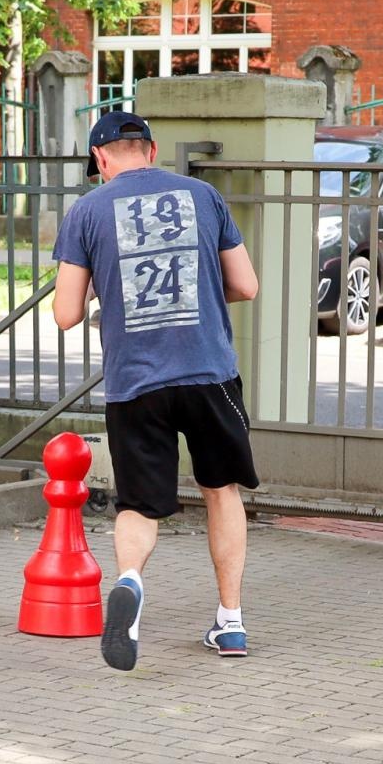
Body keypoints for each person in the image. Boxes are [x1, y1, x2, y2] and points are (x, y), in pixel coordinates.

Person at [52, 111, 262, 672]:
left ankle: (129, 583)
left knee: (139, 505)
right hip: (209, 373)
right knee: (221, 490)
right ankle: (231, 623)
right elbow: (246, 285)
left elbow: (66, 313)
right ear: (151, 149)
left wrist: (106, 287)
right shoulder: (204, 196)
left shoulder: (87, 211)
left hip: (136, 382)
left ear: (100, 159)